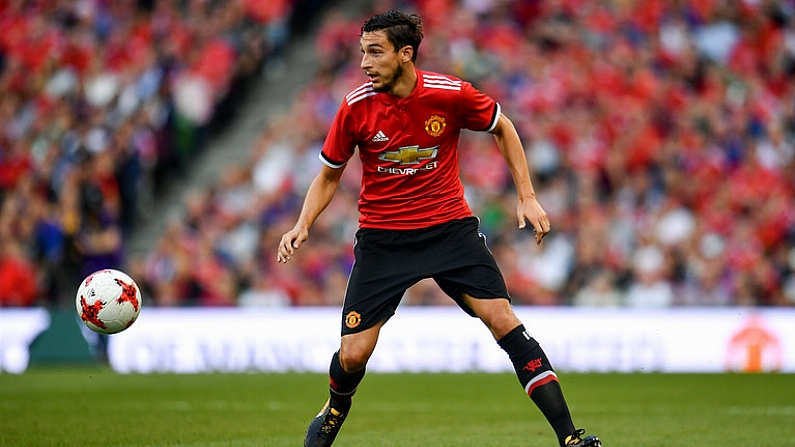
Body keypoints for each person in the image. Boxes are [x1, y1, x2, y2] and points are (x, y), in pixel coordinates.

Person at [277, 10, 601, 447]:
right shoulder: (355, 107)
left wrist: (526, 194)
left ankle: (570, 439)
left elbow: (502, 127)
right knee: (353, 354)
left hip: (449, 231)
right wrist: (302, 223)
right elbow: (330, 174)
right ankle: (336, 405)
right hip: (383, 240)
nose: (364, 64)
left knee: (503, 320)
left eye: (375, 52)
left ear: (405, 53)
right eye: (362, 53)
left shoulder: (450, 94)